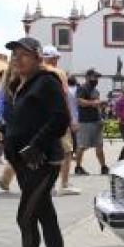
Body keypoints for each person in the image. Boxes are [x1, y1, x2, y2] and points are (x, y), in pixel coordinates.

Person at [0, 37, 72, 247]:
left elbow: (60, 119)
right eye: (15, 54)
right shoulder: (23, 83)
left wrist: (36, 144)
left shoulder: (46, 82)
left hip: (42, 161)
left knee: (26, 216)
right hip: (24, 162)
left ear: (38, 57)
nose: (17, 58)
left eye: (24, 54)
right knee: (43, 214)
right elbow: (25, 121)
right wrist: (5, 135)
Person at [41, 45, 80, 196]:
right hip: (58, 117)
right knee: (67, 151)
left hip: (40, 119)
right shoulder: (58, 72)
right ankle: (63, 184)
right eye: (56, 58)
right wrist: (72, 119)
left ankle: (47, 185)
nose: (57, 60)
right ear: (51, 58)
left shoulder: (35, 73)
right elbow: (66, 97)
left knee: (45, 151)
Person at [74, 68, 108, 175]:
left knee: (99, 145)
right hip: (85, 121)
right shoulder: (82, 88)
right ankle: (78, 167)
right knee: (82, 146)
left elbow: (97, 105)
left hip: (96, 120)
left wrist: (101, 115)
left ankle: (103, 166)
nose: (96, 79)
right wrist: (95, 103)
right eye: (95, 77)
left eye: (97, 77)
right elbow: (79, 102)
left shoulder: (95, 91)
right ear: (88, 77)